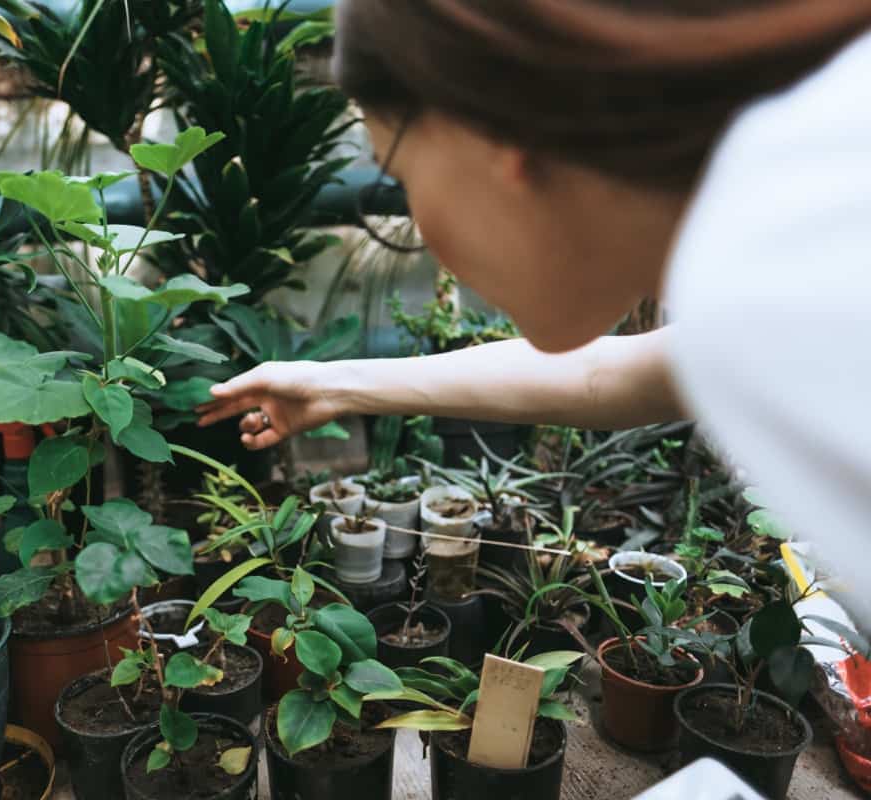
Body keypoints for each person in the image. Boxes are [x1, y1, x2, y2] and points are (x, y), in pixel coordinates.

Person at [195, 0, 871, 625]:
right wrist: (334, 385)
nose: (418, 225)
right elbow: (609, 377)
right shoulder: (786, 237)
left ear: (493, 132)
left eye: (397, 175)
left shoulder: (803, 283)